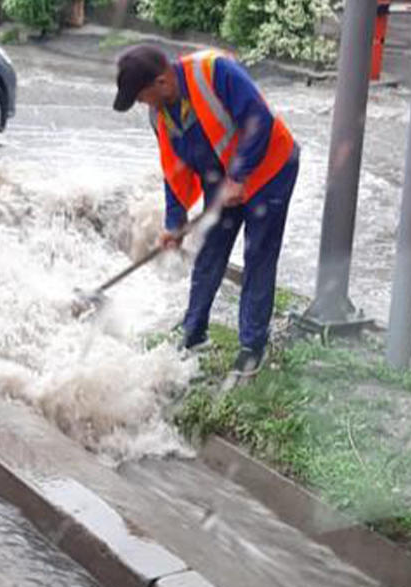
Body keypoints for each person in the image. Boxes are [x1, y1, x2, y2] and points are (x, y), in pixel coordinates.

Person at [113, 45, 300, 377]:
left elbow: (259, 119)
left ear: (161, 82)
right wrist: (175, 223)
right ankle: (194, 331)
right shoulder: (160, 115)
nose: (143, 104)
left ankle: (252, 346)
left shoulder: (215, 72)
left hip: (270, 169)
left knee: (258, 254)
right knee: (210, 250)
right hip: (223, 179)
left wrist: (239, 176)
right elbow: (174, 170)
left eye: (142, 97)